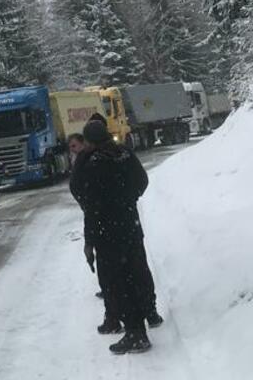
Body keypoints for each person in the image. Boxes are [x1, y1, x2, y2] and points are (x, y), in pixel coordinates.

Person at [77, 118, 163, 355]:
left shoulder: (93, 164)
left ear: (90, 141)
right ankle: (149, 313)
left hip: (107, 232)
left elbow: (89, 204)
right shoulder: (124, 154)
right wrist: (128, 199)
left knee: (119, 283)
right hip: (130, 225)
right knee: (138, 272)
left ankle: (136, 333)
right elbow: (142, 181)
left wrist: (89, 240)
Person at [69, 131, 120, 330]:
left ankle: (117, 320)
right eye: (70, 147)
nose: (73, 150)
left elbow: (88, 198)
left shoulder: (90, 163)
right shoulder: (118, 154)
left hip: (104, 224)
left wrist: (89, 240)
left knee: (110, 272)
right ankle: (143, 314)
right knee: (125, 270)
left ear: (86, 142)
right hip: (117, 221)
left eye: (75, 146)